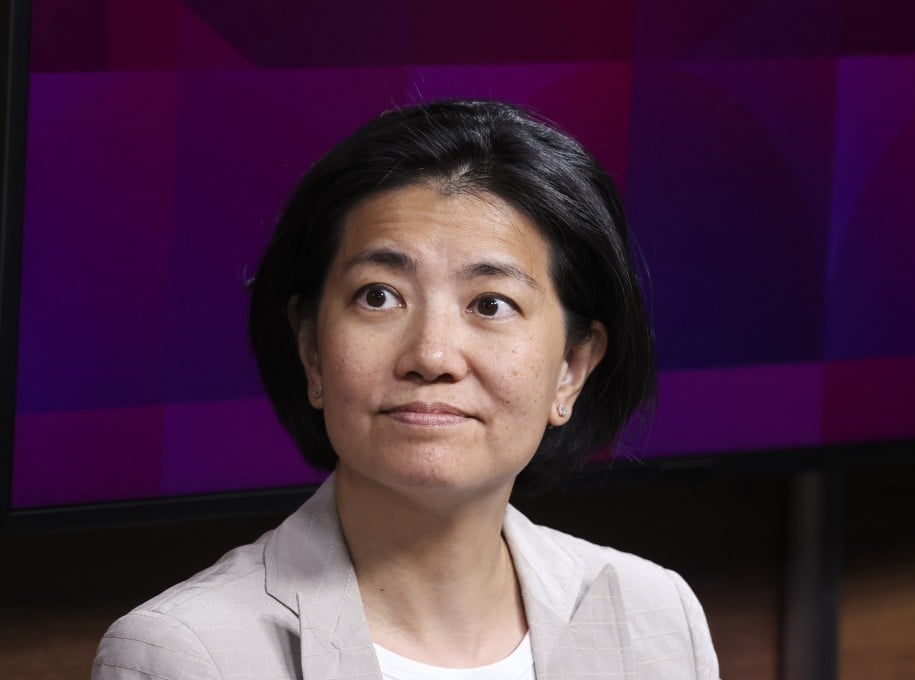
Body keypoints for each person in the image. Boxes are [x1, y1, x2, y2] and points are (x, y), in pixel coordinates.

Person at [92, 99, 719, 680]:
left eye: (491, 304)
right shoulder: (185, 655)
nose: (432, 356)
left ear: (571, 369)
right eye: (379, 296)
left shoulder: (655, 622)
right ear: (312, 349)